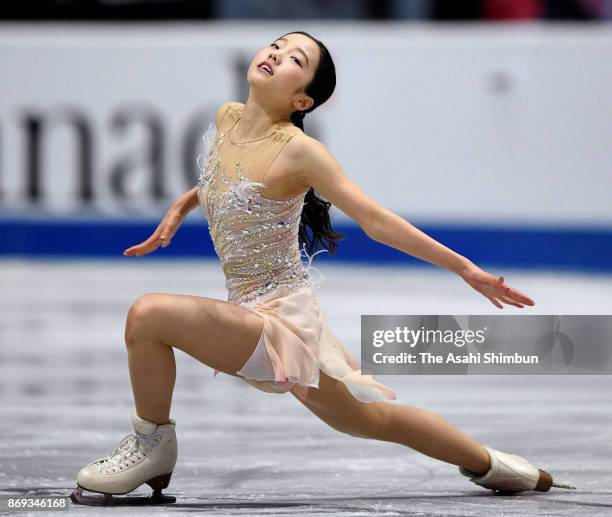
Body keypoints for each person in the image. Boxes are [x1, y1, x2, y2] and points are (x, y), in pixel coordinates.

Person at [70, 31, 574, 506]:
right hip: (246, 311)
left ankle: (152, 443)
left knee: (149, 313)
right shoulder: (227, 119)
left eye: (295, 60)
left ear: (303, 101)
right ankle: (495, 465)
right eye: (277, 45)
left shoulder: (302, 153)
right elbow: (225, 176)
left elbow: (375, 219)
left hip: (281, 322)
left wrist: (466, 269)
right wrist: (183, 206)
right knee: (364, 419)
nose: (276, 54)